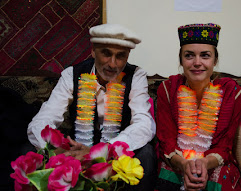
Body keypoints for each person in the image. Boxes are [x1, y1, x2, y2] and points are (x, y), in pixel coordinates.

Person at [27, 23, 157, 190]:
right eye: (106, 53)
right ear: (93, 50)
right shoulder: (72, 74)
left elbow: (144, 124)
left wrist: (101, 152)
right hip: (75, 156)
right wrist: (58, 150)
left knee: (146, 153)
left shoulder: (136, 75)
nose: (113, 64)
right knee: (31, 149)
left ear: (128, 56)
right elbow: (42, 120)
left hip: (116, 156)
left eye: (120, 56)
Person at [155, 23, 241, 191]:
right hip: (178, 160)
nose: (197, 62)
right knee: (165, 173)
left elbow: (225, 146)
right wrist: (185, 165)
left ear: (215, 61)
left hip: (214, 161)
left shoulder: (231, 92)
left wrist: (204, 164)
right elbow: (166, 141)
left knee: (219, 177)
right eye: (189, 56)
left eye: (205, 56)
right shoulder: (167, 89)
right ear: (181, 60)